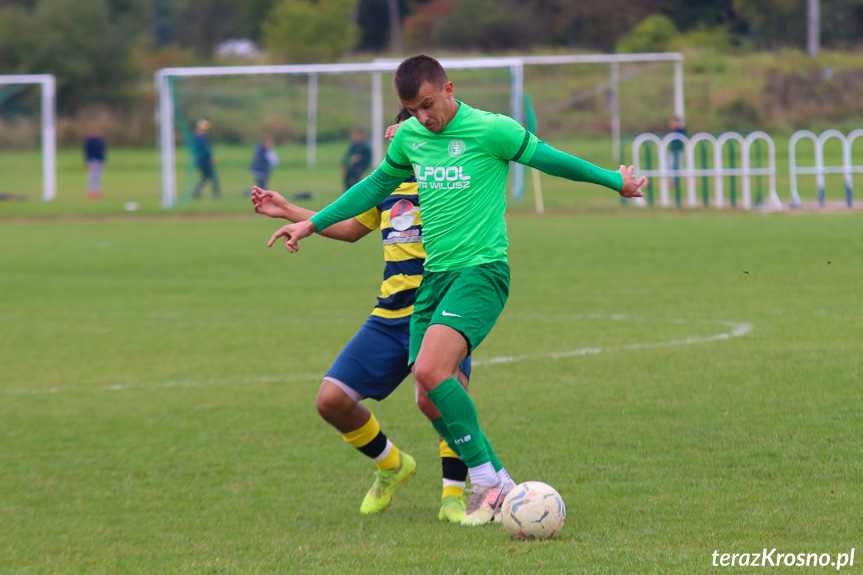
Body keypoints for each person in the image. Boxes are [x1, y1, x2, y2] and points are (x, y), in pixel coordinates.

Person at [267, 55, 646, 527]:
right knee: (428, 395)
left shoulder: (492, 130)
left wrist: (616, 181)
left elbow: (552, 158)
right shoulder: (409, 137)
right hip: (435, 279)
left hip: (482, 272)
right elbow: (373, 187)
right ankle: (490, 480)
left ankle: (490, 481)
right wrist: (310, 222)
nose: (423, 117)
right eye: (412, 109)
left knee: (429, 368)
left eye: (428, 104)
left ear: (449, 88)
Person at [253, 108, 512, 523]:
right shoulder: (388, 185)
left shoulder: (450, 179)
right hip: (390, 315)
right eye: (401, 130)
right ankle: (392, 465)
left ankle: (454, 495)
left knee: (438, 397)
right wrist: (290, 212)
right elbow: (352, 227)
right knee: (332, 400)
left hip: (442, 309)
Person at [192, 119, 221, 199]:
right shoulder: (201, 136)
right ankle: (216, 195)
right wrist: (210, 158)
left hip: (200, 160)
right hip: (205, 160)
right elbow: (205, 149)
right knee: (214, 177)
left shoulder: (196, 136)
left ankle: (196, 190)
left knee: (205, 176)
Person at [83, 126, 106, 199]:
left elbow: (102, 152)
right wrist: (87, 161)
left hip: (99, 160)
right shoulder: (89, 141)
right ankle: (91, 192)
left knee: (98, 177)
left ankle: (97, 191)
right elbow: (87, 152)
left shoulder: (100, 140)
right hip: (92, 161)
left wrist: (103, 161)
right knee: (91, 177)